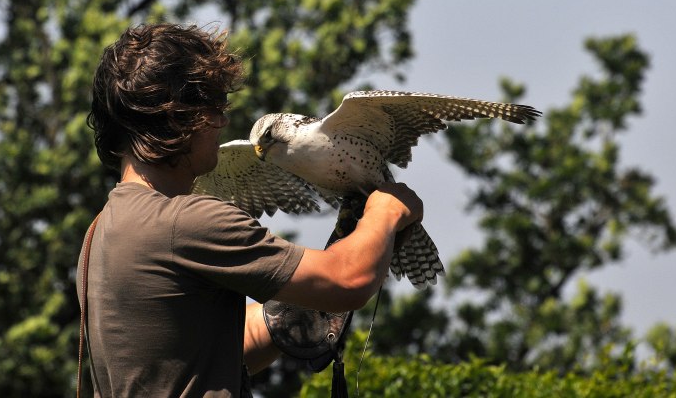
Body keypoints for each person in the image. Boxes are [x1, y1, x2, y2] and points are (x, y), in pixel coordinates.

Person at [77, 23, 423, 397]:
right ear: (179, 116)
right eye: (214, 107)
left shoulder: (101, 232)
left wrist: (280, 323)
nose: (223, 121)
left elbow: (190, 359)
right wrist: (385, 211)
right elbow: (349, 280)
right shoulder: (188, 221)